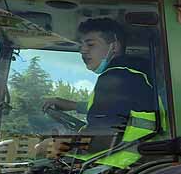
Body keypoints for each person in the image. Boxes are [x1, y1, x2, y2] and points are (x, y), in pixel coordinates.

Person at [41, 17, 157, 157]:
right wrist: (73, 105)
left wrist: (53, 146)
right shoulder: (133, 73)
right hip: (136, 159)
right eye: (81, 45)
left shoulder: (117, 77)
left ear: (113, 47)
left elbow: (103, 140)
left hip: (119, 167)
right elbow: (119, 111)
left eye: (90, 44)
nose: (82, 50)